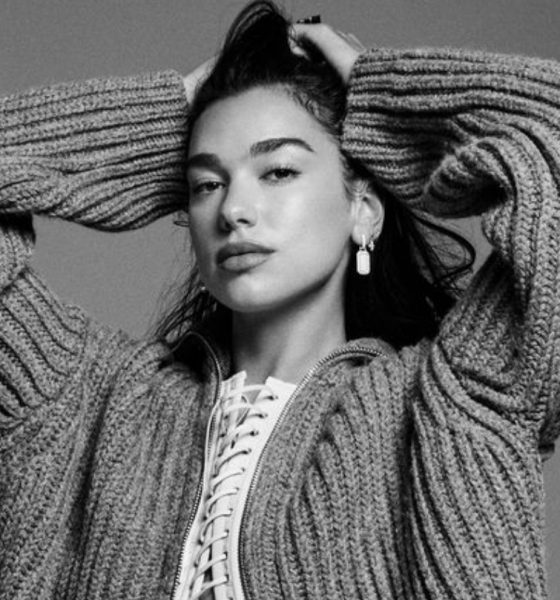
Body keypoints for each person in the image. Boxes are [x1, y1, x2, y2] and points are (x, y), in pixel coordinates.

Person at [0, 0, 559, 598]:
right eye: (206, 184)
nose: (234, 210)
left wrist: (384, 94)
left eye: (278, 172)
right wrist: (160, 120)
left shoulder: (458, 395)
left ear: (363, 211)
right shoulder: (86, 400)